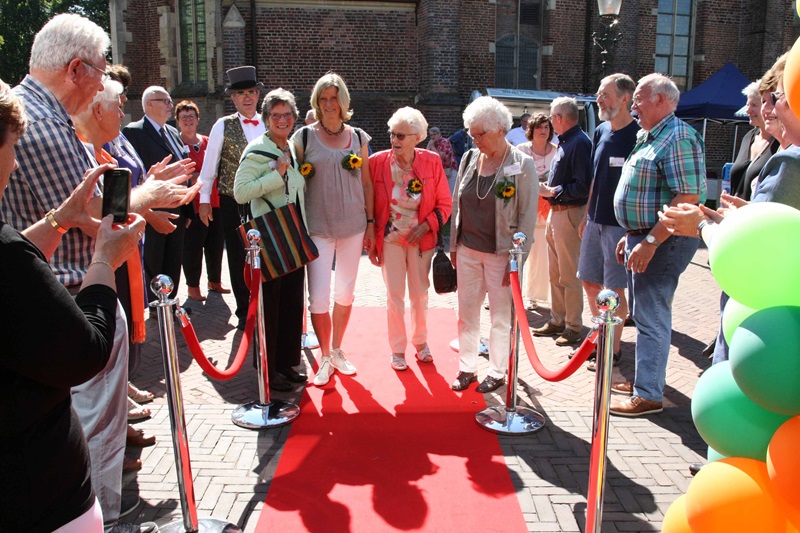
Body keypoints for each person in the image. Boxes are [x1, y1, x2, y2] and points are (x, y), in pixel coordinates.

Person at [0, 14, 188, 531]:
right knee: (94, 441)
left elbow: (76, 211)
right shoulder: (41, 122)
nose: (109, 83)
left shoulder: (46, 118)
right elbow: (102, 211)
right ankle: (109, 521)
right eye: (102, 70)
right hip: (71, 305)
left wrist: (132, 203)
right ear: (77, 69)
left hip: (72, 299)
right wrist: (147, 198)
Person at [0, 79, 149, 533]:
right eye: (11, 147)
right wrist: (105, 260)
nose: (14, 162)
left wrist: (59, 220)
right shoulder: (7, 255)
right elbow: (85, 351)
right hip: (39, 493)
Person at [609, 73, 706, 417]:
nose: (632, 104)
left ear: (662, 101)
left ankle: (648, 394)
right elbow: (649, 193)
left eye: (638, 97)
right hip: (647, 236)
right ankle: (644, 382)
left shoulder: (677, 137)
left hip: (666, 241)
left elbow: (686, 198)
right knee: (645, 313)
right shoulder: (651, 135)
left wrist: (649, 241)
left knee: (651, 315)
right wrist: (632, 233)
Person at [292, 72, 375, 387]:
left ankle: (338, 348)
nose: (329, 104)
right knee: (318, 298)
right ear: (316, 101)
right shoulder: (304, 137)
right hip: (317, 227)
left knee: (346, 292)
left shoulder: (357, 137)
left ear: (343, 101)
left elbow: (366, 181)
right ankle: (324, 356)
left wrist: (369, 222)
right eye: (323, 98)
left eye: (333, 98)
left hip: (353, 225)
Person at [449, 96, 537, 393]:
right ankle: (467, 368)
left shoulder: (521, 164)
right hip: (468, 250)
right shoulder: (469, 158)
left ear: (500, 129)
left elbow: (526, 218)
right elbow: (456, 204)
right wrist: (453, 245)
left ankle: (498, 370)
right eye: (471, 134)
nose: (475, 140)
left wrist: (517, 261)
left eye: (481, 134)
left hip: (502, 254)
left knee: (501, 317)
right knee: (467, 315)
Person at [234, 88, 309, 391]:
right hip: (268, 237)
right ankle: (268, 367)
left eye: (287, 114)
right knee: (271, 305)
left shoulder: (291, 147)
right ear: (265, 119)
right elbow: (240, 192)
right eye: (276, 115)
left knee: (291, 302)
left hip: (291, 235)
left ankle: (286, 364)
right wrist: (275, 175)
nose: (282, 119)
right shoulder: (256, 151)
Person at [369, 107, 452, 371]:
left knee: (420, 296)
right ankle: (397, 349)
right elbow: (367, 203)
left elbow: (445, 204)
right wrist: (369, 239)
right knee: (394, 296)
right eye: (393, 134)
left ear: (417, 137)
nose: (395, 140)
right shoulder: (377, 162)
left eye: (401, 136)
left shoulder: (431, 161)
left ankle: (421, 342)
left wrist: (428, 225)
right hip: (391, 240)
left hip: (421, 242)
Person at [577, 73, 639, 370]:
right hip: (594, 220)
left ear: (625, 98)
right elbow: (596, 177)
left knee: (614, 289)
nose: (599, 99)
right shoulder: (601, 130)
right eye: (600, 94)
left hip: (619, 225)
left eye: (605, 94)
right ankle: (601, 336)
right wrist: (587, 215)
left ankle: (612, 351)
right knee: (590, 281)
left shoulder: (639, 135)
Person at [196, 66, 266, 331]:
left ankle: (263, 305)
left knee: (265, 253)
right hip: (232, 201)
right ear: (233, 98)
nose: (247, 97)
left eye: (251, 92)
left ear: (258, 94)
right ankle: (243, 310)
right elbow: (209, 167)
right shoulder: (222, 125)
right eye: (240, 93)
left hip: (265, 200)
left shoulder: (268, 123)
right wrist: (204, 200)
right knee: (238, 256)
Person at [531, 97, 592, 346]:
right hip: (557, 213)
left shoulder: (579, 143)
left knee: (568, 273)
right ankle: (558, 319)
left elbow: (582, 186)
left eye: (552, 118)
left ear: (558, 118)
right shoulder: (567, 142)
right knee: (555, 272)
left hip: (568, 212)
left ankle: (573, 325)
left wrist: (551, 191)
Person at [123, 86, 192, 301]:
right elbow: (135, 174)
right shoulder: (133, 132)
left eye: (170, 101)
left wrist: (188, 208)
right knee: (154, 258)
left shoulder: (172, 131)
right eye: (165, 101)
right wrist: (148, 209)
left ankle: (170, 301)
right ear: (149, 103)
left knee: (174, 257)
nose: (170, 105)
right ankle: (156, 303)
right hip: (153, 209)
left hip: (178, 206)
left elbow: (183, 170)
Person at [176, 100, 227, 302]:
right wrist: (200, 175)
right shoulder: (176, 144)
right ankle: (193, 287)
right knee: (193, 247)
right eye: (183, 117)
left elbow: (218, 167)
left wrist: (203, 175)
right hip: (192, 205)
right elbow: (181, 173)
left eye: (191, 116)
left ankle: (215, 281)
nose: (188, 120)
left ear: (198, 119)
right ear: (178, 121)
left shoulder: (208, 142)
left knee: (215, 244)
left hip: (215, 201)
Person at [516, 113, 556, 311]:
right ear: (531, 130)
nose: (543, 131)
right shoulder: (521, 151)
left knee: (540, 255)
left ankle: (534, 296)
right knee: (518, 252)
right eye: (539, 127)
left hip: (547, 211)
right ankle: (512, 293)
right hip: (523, 208)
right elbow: (510, 174)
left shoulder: (557, 152)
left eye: (547, 127)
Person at [730, 81, 779, 201]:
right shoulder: (748, 137)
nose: (748, 111)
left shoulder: (781, 143)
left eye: (754, 105)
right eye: (748, 105)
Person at [426, 126, 458, 193]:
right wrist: (429, 146)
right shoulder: (433, 143)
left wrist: (432, 147)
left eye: (434, 134)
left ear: (439, 134)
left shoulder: (444, 142)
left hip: (450, 171)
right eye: (431, 135)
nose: (432, 137)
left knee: (450, 193)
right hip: (441, 172)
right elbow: (426, 156)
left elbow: (440, 157)